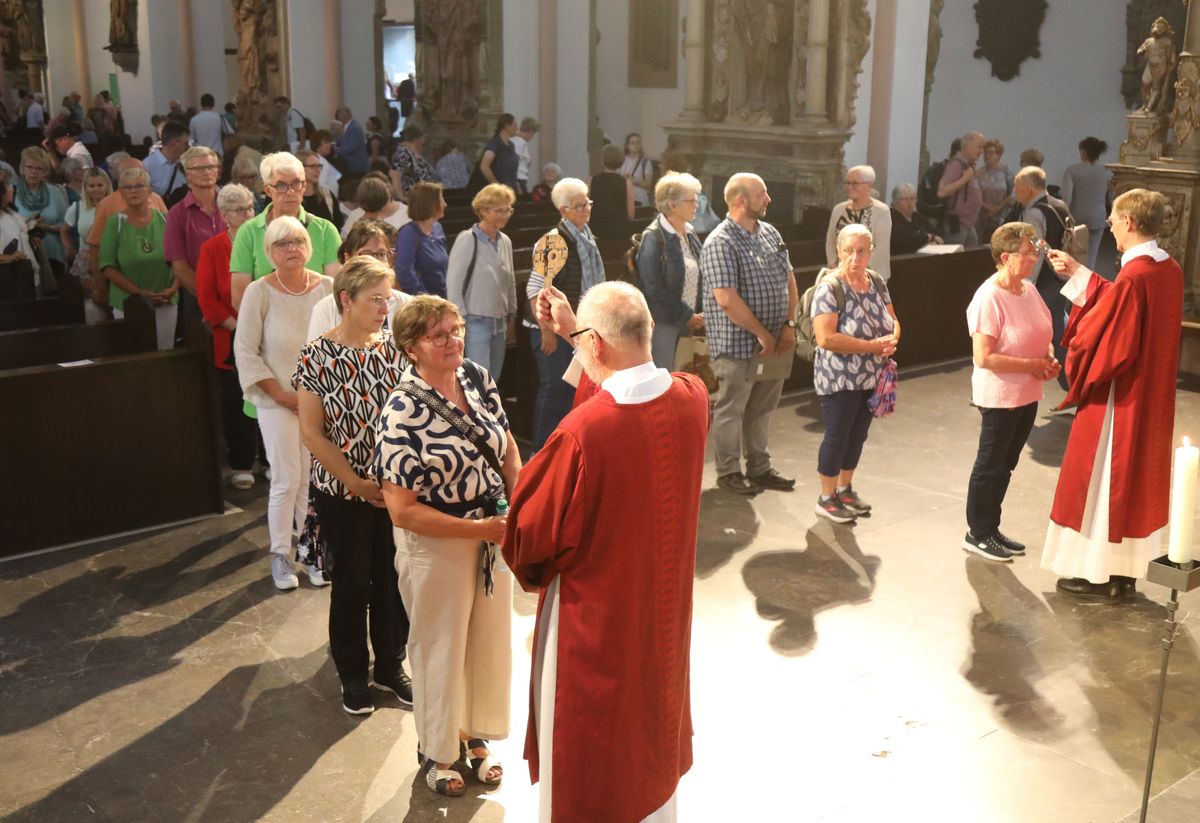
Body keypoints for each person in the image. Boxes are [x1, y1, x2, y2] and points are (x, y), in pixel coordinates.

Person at [503, 281, 708, 823]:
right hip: (660, 621)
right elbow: (622, 388)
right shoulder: (692, 397)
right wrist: (580, 333)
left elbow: (527, 539)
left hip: (592, 627)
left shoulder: (580, 436)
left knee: (593, 758)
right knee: (650, 736)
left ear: (594, 345)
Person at [376, 295, 521, 797]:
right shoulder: (401, 410)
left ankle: (473, 734)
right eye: (439, 334)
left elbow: (505, 440)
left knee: (487, 641)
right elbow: (402, 509)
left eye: (456, 329)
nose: (453, 340)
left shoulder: (477, 377)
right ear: (412, 346)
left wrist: (516, 499)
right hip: (438, 544)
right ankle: (438, 752)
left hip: (490, 535)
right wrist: (480, 530)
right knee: (440, 648)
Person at [1041, 189, 1184, 601]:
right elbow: (1123, 305)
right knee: (1137, 482)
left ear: (1130, 223)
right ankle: (1125, 573)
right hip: (1152, 398)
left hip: (1119, 401)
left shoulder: (1135, 274)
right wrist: (1080, 274)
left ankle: (1096, 573)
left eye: (1115, 219)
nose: (1110, 225)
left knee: (1103, 478)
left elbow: (1109, 335)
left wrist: (1078, 355)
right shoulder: (1167, 269)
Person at [295, 257, 413, 714]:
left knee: (391, 578)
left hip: (393, 488)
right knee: (351, 583)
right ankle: (351, 670)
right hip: (342, 491)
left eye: (388, 297)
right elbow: (311, 432)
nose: (386, 307)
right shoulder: (317, 355)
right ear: (346, 300)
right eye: (376, 298)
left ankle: (389, 664)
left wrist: (393, 480)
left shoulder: (394, 349)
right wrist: (356, 483)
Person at [234, 215, 334, 591]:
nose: (292, 249)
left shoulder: (328, 287)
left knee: (313, 479)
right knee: (286, 477)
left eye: (298, 241)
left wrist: (320, 394)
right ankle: (280, 554)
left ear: (309, 247)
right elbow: (245, 351)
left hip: (318, 400)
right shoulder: (260, 291)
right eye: (282, 243)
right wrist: (281, 395)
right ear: (269, 252)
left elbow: (338, 343)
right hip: (276, 399)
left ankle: (311, 552)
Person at [963, 222, 1058, 561]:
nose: (1034, 258)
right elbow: (984, 357)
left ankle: (991, 526)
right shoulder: (989, 297)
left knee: (1006, 464)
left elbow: (1043, 331)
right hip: (1000, 394)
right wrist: (1032, 366)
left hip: (1027, 392)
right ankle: (977, 532)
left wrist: (1047, 358)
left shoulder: (1028, 291)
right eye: (1028, 253)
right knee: (990, 463)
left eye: (1035, 252)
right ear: (1005, 257)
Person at [702, 172, 797, 495]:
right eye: (762, 193)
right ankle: (728, 471)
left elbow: (790, 279)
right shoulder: (720, 241)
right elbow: (726, 298)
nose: (768, 199)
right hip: (737, 343)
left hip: (775, 339)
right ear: (740, 200)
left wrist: (788, 325)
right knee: (732, 408)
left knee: (763, 408)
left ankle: (759, 466)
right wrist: (761, 333)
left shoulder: (770, 232)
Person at [810, 223, 900, 522]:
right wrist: (871, 346)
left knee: (858, 435)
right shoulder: (830, 287)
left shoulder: (875, 280)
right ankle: (826, 497)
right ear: (838, 251)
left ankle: (845, 488)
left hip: (870, 376)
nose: (855, 257)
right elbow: (826, 338)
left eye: (861, 251)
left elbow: (893, 318)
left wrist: (893, 339)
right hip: (839, 377)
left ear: (871, 253)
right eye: (849, 251)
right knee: (838, 435)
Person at [524, 177, 605, 451]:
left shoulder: (586, 237)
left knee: (573, 388)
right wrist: (547, 332)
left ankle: (565, 447)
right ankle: (540, 449)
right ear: (562, 210)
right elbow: (536, 290)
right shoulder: (553, 242)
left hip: (576, 326)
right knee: (555, 388)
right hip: (551, 329)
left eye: (588, 203)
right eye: (578, 206)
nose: (585, 209)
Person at [195, 184, 260, 491]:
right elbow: (207, 299)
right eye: (240, 210)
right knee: (236, 403)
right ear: (224, 216)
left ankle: (271, 461)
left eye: (250, 208)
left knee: (269, 398)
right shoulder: (212, 248)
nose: (248, 214)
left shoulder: (265, 242)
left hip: (267, 336)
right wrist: (241, 329)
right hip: (230, 338)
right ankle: (241, 463)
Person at [229, 152, 341, 311]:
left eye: (297, 183)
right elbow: (240, 298)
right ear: (268, 190)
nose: (290, 192)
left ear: (304, 186)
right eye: (281, 185)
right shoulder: (248, 232)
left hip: (317, 327)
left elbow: (334, 292)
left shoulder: (325, 230)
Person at [99, 167, 177, 351]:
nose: (134, 191)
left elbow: (179, 260)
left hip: (165, 299)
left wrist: (173, 288)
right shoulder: (114, 223)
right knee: (133, 354)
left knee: (166, 353)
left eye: (139, 186)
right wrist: (139, 293)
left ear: (150, 190)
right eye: (128, 187)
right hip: (128, 302)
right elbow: (107, 266)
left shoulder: (167, 220)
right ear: (121, 193)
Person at [446, 183, 517, 380]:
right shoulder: (468, 239)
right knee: (479, 380)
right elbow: (453, 284)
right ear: (483, 211)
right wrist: (460, 322)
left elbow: (509, 281)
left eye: (508, 210)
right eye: (499, 211)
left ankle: (490, 412)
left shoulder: (505, 241)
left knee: (494, 380)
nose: (505, 215)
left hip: (500, 322)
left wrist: (512, 315)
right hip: (475, 321)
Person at [1013, 165, 1073, 389]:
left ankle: (1074, 386)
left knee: (1053, 334)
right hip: (1062, 277)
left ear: (1028, 188)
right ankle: (1075, 384)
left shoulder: (1034, 213)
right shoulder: (1059, 205)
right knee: (1061, 329)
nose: (1015, 192)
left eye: (1017, 187)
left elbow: (1034, 251)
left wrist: (1026, 283)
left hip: (1046, 282)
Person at [638, 171, 704, 370]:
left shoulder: (690, 233)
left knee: (686, 378)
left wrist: (698, 315)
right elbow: (653, 288)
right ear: (672, 205)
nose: (696, 204)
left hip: (690, 321)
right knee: (664, 376)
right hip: (664, 322)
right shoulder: (654, 237)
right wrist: (686, 315)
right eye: (691, 200)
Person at [164, 146, 226, 344]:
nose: (207, 172)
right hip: (197, 299)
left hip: (236, 296)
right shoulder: (177, 214)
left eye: (211, 167)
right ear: (187, 175)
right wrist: (211, 301)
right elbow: (180, 268)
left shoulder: (233, 207)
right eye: (199, 168)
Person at [826, 164, 892, 281]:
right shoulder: (838, 209)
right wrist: (834, 267)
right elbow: (830, 241)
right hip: (840, 274)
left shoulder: (881, 211)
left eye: (855, 183)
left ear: (869, 185)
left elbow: (880, 248)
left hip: (870, 276)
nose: (850, 187)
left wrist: (855, 269)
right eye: (848, 183)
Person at [62, 166, 111, 317]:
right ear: (85, 187)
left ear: (107, 185)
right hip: (86, 260)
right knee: (92, 300)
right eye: (91, 186)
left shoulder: (116, 206)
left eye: (100, 185)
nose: (96, 190)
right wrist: (69, 250)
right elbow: (64, 230)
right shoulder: (76, 208)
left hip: (111, 259)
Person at [15, 146, 70, 276]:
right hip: (25, 255)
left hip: (54, 254)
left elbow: (66, 224)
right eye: (29, 167)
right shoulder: (12, 192)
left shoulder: (55, 191)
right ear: (22, 168)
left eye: (39, 168)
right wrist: (29, 225)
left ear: (45, 171)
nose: (34, 172)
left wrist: (46, 227)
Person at [1061, 137, 1111, 269]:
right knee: (1092, 256)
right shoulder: (1107, 173)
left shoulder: (1072, 170)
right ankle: (1089, 283)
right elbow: (1110, 198)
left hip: (1077, 218)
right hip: (1098, 217)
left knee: (1075, 254)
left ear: (1083, 151)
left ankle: (1075, 282)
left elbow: (1066, 197)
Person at [393, 181, 448, 297]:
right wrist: (426, 298)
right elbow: (404, 273)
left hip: (442, 299)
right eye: (441, 200)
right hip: (421, 303)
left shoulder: (438, 228)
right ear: (429, 204)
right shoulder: (408, 233)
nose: (445, 204)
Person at [937, 131, 984, 245]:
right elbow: (941, 192)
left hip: (967, 225)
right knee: (955, 261)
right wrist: (965, 179)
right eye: (979, 147)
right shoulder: (956, 164)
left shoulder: (966, 164)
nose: (981, 151)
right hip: (957, 226)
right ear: (967, 145)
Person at [0, 171, 38, 301]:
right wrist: (10, 257)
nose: (12, 188)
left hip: (24, 275)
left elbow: (20, 229)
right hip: (8, 282)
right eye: (7, 185)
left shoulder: (9, 211)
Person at [340, 172, 409, 239]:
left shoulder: (408, 213)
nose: (373, 194)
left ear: (389, 189)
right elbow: (343, 243)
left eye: (377, 189)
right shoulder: (355, 216)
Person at [588, 143, 635, 240]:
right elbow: (631, 214)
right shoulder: (627, 183)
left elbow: (587, 209)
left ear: (602, 161)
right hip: (619, 232)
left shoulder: (592, 180)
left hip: (597, 231)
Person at [389, 124, 439, 201]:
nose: (424, 140)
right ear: (416, 138)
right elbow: (395, 174)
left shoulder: (414, 152)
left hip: (424, 198)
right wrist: (401, 197)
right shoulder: (403, 153)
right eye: (423, 138)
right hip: (412, 198)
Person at [297, 148, 343, 232]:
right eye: (313, 166)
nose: (318, 170)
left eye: (319, 166)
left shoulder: (327, 195)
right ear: (300, 168)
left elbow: (338, 225)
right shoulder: (290, 198)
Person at [976, 139, 1012, 243]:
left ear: (999, 155)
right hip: (983, 217)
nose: (987, 155)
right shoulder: (978, 173)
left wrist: (999, 207)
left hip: (1003, 217)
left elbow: (1013, 193)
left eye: (991, 152)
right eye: (985, 153)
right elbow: (974, 195)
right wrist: (987, 208)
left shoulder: (1006, 171)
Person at [889, 183, 941, 255]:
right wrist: (929, 237)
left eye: (912, 198)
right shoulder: (890, 217)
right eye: (905, 199)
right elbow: (905, 238)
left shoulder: (917, 217)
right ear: (896, 201)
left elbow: (938, 236)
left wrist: (934, 243)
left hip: (920, 259)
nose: (910, 202)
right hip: (899, 260)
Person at [145, 121, 189, 202]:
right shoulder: (147, 166)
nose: (187, 148)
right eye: (185, 144)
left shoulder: (185, 164)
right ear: (175, 143)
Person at [478, 113, 519, 189]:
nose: (516, 128)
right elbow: (484, 166)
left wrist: (517, 185)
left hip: (511, 188)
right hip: (499, 192)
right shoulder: (495, 144)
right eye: (515, 125)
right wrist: (496, 184)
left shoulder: (511, 145)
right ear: (507, 125)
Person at [620, 132, 655, 208]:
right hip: (625, 198)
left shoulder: (645, 162)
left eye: (637, 142)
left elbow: (648, 184)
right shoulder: (622, 160)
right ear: (627, 146)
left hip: (640, 199)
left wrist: (633, 180)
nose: (635, 145)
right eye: (632, 142)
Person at [333, 107, 369, 175]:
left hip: (356, 166)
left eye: (339, 116)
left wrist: (334, 149)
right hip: (354, 165)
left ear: (342, 116)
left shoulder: (353, 128)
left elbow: (350, 148)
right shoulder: (351, 126)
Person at [510, 117, 539, 194]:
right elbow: (512, 163)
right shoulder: (519, 142)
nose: (533, 136)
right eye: (533, 133)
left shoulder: (518, 141)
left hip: (520, 178)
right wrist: (517, 184)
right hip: (518, 179)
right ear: (530, 131)